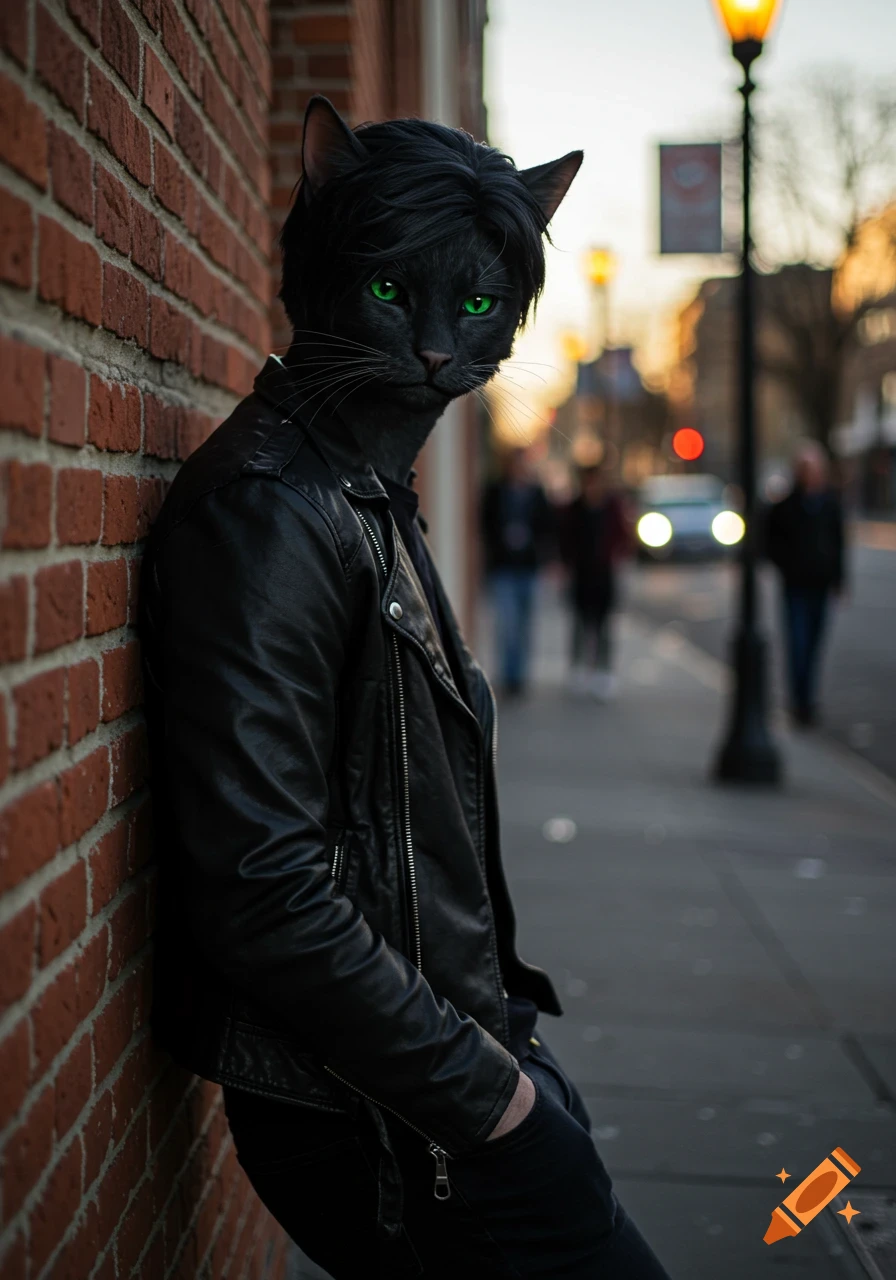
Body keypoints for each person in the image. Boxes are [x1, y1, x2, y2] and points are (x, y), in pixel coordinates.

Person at [139, 96, 669, 1279]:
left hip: (447, 1069)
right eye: (394, 295)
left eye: (476, 308)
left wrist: (516, 1068)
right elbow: (266, 891)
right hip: (379, 1117)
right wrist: (497, 1104)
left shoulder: (360, 489)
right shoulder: (273, 512)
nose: (438, 343)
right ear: (320, 268)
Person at [766, 440, 847, 727]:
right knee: (797, 642)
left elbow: (839, 544)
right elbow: (770, 540)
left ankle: (807, 698)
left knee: (813, 643)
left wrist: (839, 579)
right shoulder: (787, 505)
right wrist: (786, 564)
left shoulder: (830, 504)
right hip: (796, 584)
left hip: (820, 583)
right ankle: (799, 700)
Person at [481, 448, 553, 697]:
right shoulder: (495, 491)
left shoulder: (536, 493)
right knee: (507, 625)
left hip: (528, 568)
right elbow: (485, 524)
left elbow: (547, 526)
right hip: (503, 569)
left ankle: (521, 675)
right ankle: (509, 674)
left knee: (525, 624)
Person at [559, 462, 631, 699]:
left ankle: (603, 672)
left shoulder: (611, 507)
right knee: (580, 623)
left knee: (603, 626)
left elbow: (623, 536)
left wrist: (614, 556)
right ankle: (579, 669)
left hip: (603, 574)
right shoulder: (575, 508)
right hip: (581, 575)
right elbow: (566, 539)